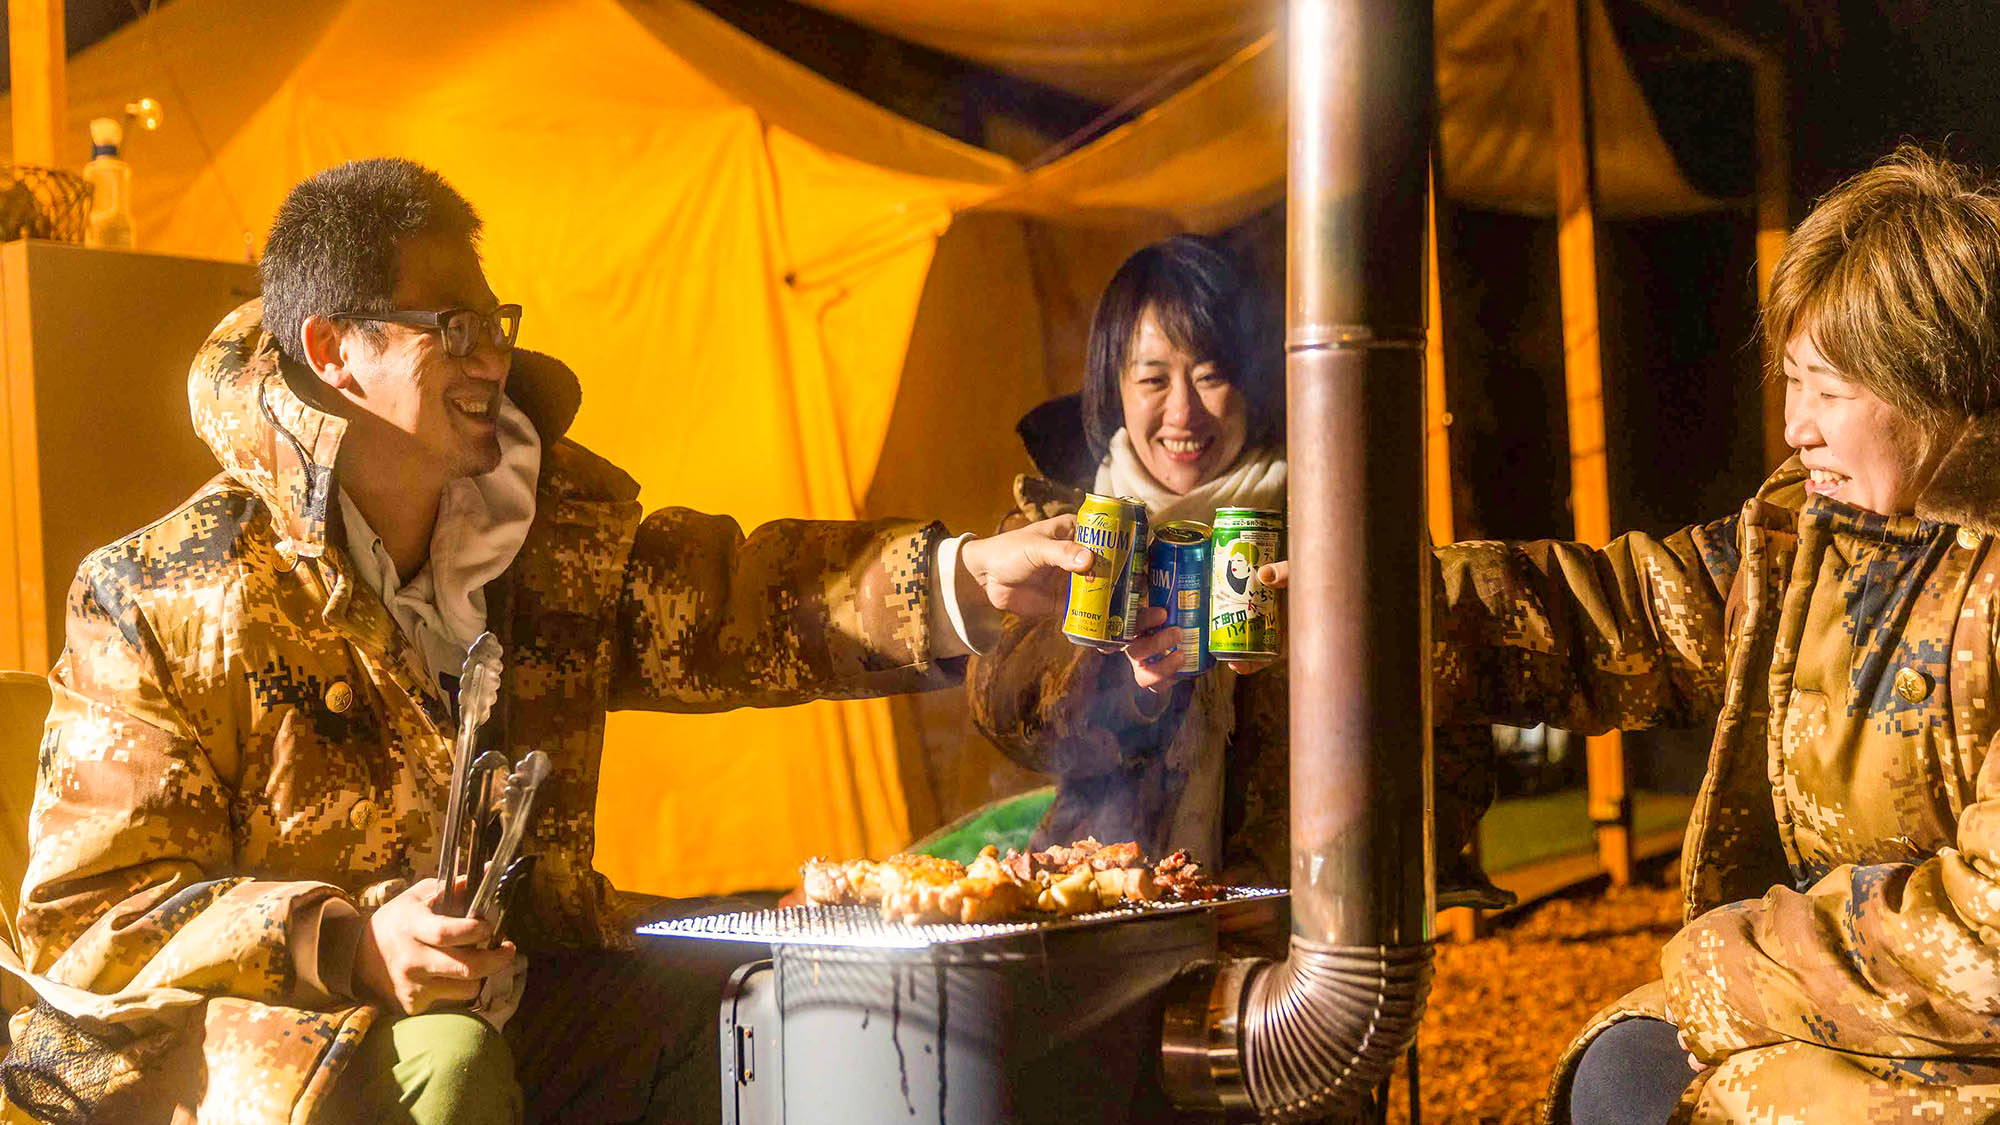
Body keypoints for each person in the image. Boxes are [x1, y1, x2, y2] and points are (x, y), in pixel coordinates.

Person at [3, 157, 1091, 1124]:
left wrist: (961, 578)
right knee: (450, 1062)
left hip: (526, 982)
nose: (489, 358)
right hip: (291, 1049)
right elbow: (89, 920)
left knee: (774, 1000)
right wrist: (349, 943)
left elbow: (739, 608)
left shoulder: (533, 545)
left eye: (496, 321)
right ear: (336, 350)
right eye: (452, 328)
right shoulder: (162, 596)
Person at [1417, 147, 2000, 1123]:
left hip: (1959, 1040)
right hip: (1852, 1008)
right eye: (1787, 382)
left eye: (1825, 389)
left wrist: (1731, 959)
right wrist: (1383, 605)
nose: (1792, 427)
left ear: (1930, 380)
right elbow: (1627, 614)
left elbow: (1984, 941)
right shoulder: (1808, 536)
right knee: (1620, 1072)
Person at [966, 235, 1502, 901]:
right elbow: (999, 705)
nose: (1183, 412)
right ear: (1116, 387)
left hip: (1308, 930)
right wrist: (1124, 683)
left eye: (1211, 374)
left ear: (1252, 377)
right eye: (1154, 378)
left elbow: (1457, 749)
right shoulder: (1061, 520)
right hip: (1106, 909)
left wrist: (1348, 878)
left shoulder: (1337, 515)